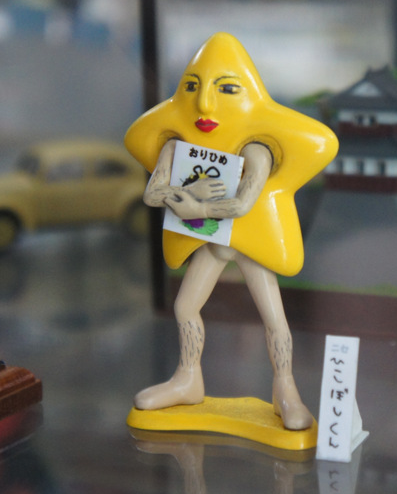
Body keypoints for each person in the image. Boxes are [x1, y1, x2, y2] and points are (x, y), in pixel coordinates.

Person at [124, 33, 338, 430]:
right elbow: (153, 193)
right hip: (210, 241)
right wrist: (188, 195)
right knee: (185, 307)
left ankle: (286, 389)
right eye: (193, 87)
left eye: (226, 89)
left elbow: (242, 204)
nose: (205, 104)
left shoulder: (256, 148)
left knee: (273, 318)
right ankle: (188, 378)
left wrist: (199, 208)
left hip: (252, 244)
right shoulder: (177, 146)